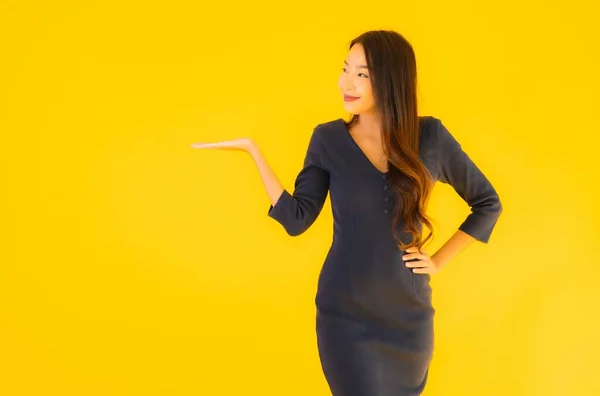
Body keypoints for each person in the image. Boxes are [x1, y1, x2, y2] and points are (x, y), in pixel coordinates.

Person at [191, 30, 502, 396]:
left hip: (409, 318)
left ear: (390, 80)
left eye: (362, 74)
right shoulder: (328, 140)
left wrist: (437, 261)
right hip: (346, 316)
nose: (346, 83)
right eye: (345, 69)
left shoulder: (430, 136)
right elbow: (296, 218)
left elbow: (487, 203)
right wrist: (253, 152)